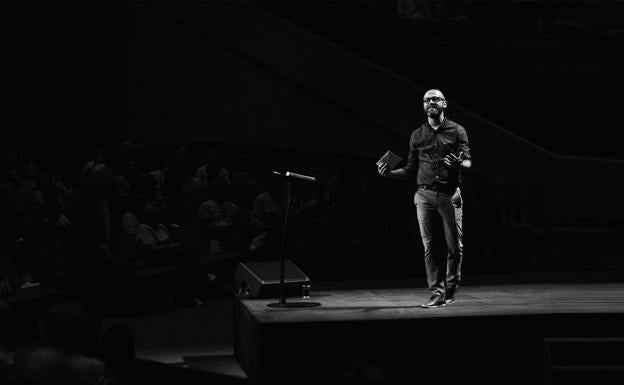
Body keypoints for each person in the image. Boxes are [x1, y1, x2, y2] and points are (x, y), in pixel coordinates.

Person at [378, 89, 472, 307]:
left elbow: (467, 162)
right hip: (423, 195)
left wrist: (458, 163)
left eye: (436, 99)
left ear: (444, 104)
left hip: (449, 195)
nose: (431, 102)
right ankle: (436, 292)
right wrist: (390, 173)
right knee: (429, 246)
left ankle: (450, 289)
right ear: (423, 106)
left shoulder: (457, 131)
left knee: (454, 246)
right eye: (427, 100)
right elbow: (410, 169)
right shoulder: (417, 135)